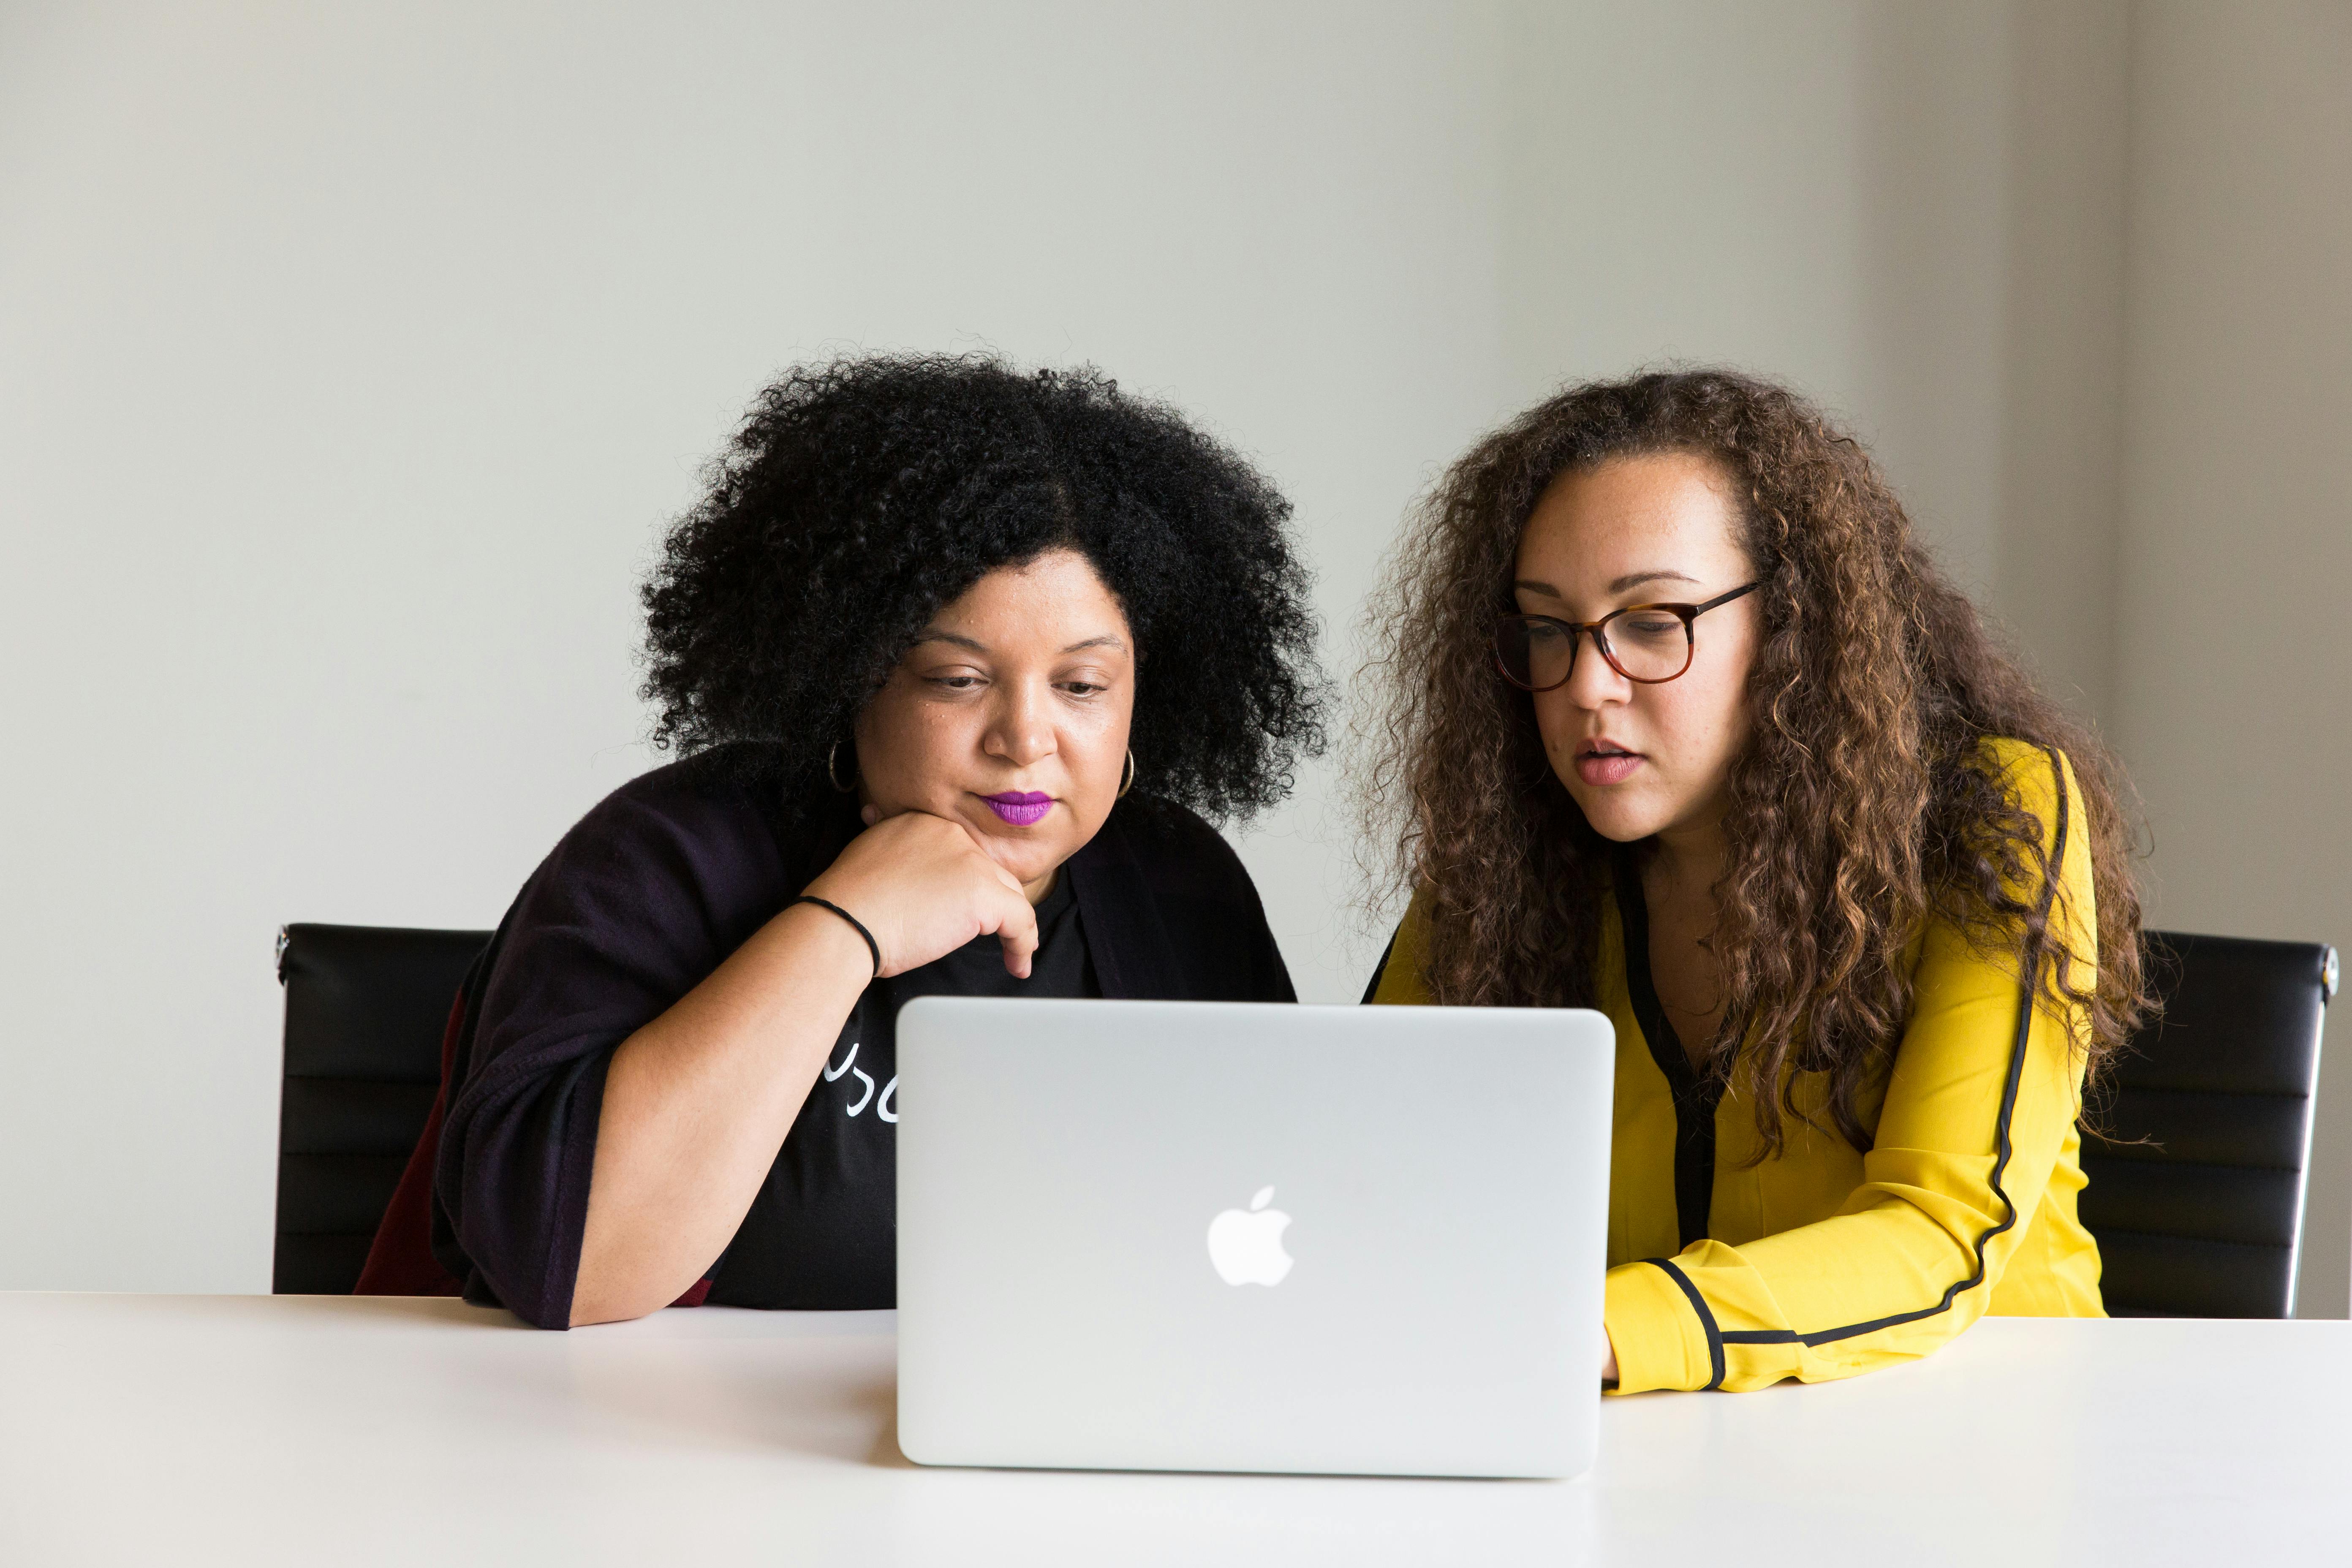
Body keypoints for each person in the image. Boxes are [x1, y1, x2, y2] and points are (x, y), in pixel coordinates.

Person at [359, 355, 1324, 1328]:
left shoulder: (1176, 885)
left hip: (1055, 1451)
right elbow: (567, 1270)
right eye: (957, 679)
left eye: (1081, 687)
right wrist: (845, 923)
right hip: (638, 1453)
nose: (1025, 739)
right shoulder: (669, 857)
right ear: (852, 675)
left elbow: (1289, 1229)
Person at [1358, 369, 2151, 1393]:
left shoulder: (1989, 817)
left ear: (1791, 630)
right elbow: (1364, 1163)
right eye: (1547, 630)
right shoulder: (1510, 852)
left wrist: (1587, 1331)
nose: (1586, 685)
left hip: (1978, 1452)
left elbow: (1936, 1235)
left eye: (1651, 622)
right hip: (1629, 1459)